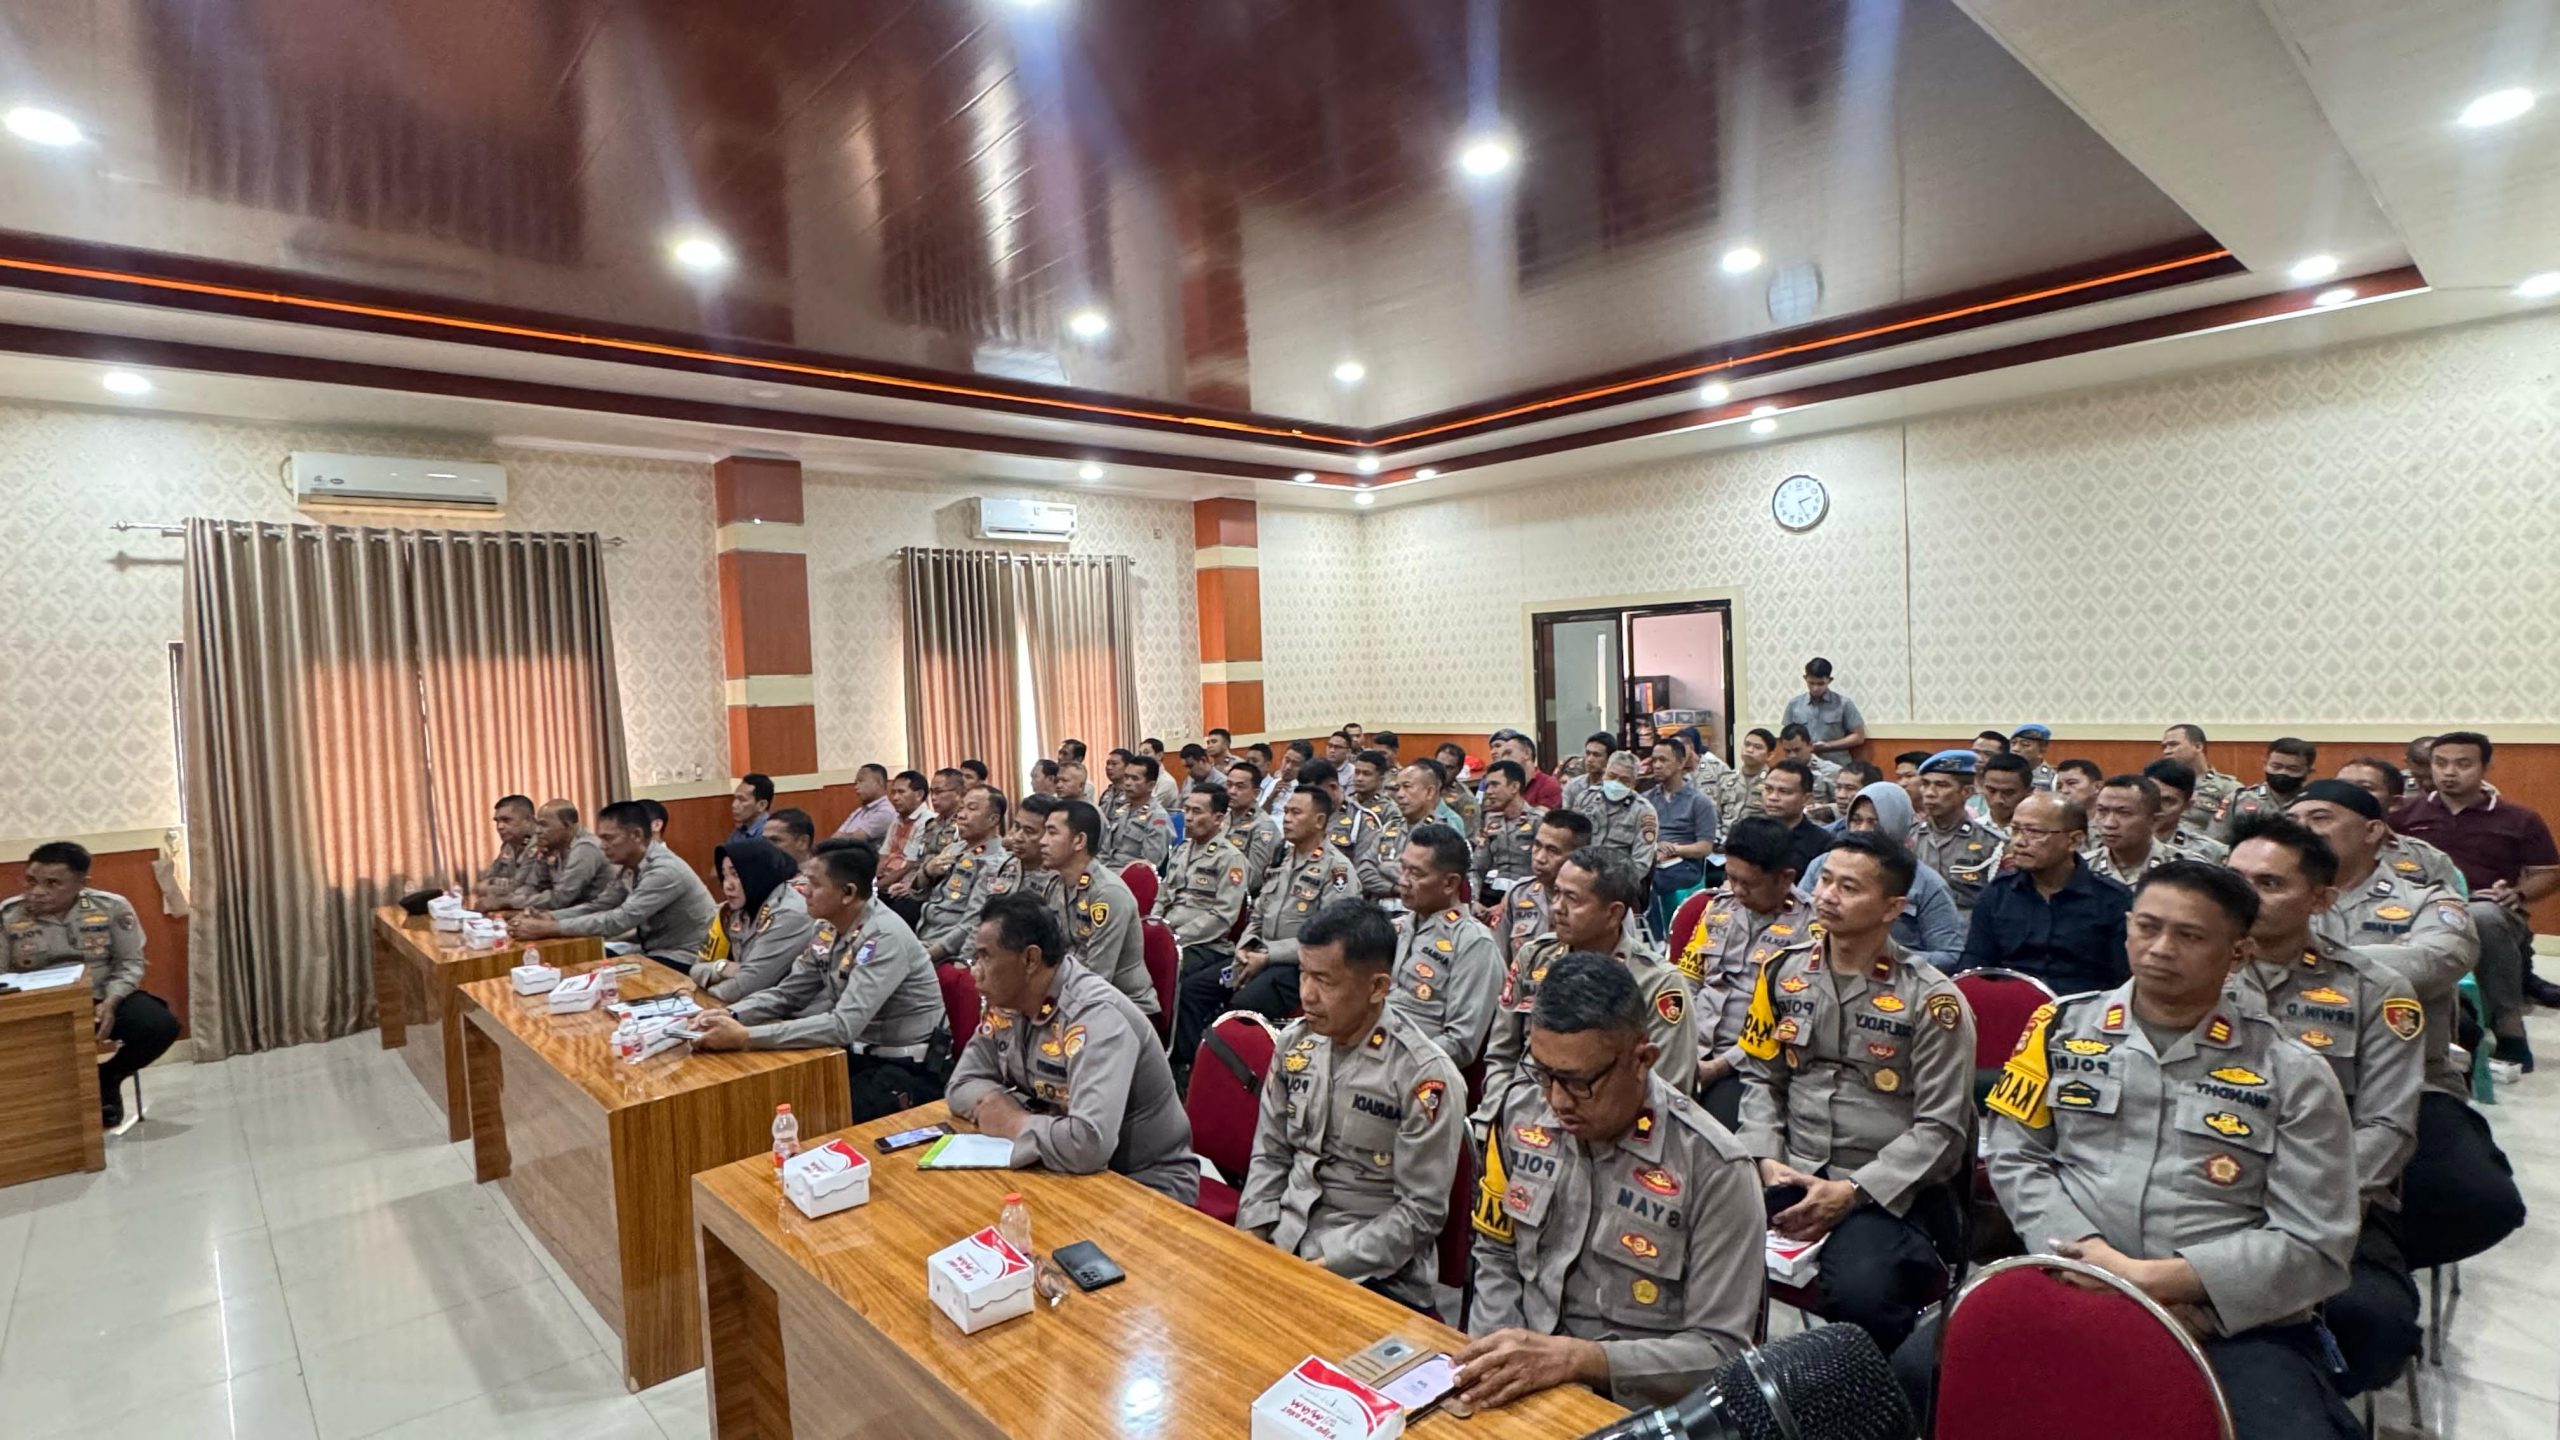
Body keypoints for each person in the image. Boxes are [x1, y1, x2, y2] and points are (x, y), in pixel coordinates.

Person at [1911, 862, 2362, 1440]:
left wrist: (2158, 1281)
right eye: (2148, 927)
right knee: (1915, 1375)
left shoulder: (2293, 1073)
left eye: (2190, 936)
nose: (2161, 949)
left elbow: (2315, 1242)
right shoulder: (2058, 1028)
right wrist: (2091, 1255)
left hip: (2224, 1319)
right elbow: (2015, 1155)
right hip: (2067, 1277)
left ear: (2239, 953)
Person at [1458, 953, 1763, 1412]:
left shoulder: (1716, 1169)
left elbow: (1721, 1353)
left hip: (1638, 1406)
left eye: (1578, 1082)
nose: (1557, 1101)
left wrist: (1582, 1360)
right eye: (1543, 1073)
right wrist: (1491, 1360)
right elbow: (1497, 1254)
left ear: (1642, 1060)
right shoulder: (1520, 1115)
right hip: (1518, 1384)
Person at [1738, 831, 1972, 1354]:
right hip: (1790, 1165)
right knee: (1694, 1241)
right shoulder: (1782, 972)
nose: (1826, 896)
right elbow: (1761, 1078)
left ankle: (1872, 1392)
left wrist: (1854, 1190)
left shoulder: (1932, 999)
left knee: (1861, 1293)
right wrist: (1764, 1156)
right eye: (1825, 880)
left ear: (1892, 908)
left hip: (1886, 1189)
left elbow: (1942, 1129)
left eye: (1849, 887)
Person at [2222, 816, 2423, 1396]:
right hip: (2204, 1187)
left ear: (2321, 900)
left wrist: (2301, 1199)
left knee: (2372, 1325)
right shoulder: (2187, 972)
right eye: (2234, 879)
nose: (2243, 896)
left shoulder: (2375, 990)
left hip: (2331, 1202)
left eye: (2269, 883)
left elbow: (2387, 1126)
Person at [2291, 781, 2524, 1273]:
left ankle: (2380, 1254)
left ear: (2373, 831)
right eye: (2294, 820)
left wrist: (2303, 960)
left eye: (2320, 818)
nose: (2303, 830)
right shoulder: (2268, 896)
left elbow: (2435, 960)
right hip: (2283, 1079)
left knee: (2484, 1201)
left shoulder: (2426, 900)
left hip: (2411, 1084)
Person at [1241, 900, 1466, 1314]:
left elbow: (1419, 1214)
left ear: (1377, 987)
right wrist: (1251, 1236)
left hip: (1372, 1274)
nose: (1306, 994)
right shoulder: (1295, 1044)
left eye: (1324, 981)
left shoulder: (1422, 1075)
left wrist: (1325, 1266)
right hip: (1284, 1240)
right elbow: (1270, 1153)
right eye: (1303, 973)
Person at [947, 894, 1199, 1201]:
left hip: (1144, 1183)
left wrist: (1014, 1122)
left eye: (986, 957)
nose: (975, 971)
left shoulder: (1096, 1018)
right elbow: (961, 1084)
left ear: (1030, 959)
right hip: (1062, 1167)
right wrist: (1000, 1107)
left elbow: (1088, 1144)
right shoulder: (1010, 1001)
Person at [691, 844, 951, 1119]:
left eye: (814, 884)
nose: (803, 891)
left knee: (809, 1116)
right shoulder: (827, 927)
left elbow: (843, 1026)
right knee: (767, 1095)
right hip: (859, 1056)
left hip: (908, 1069)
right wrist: (732, 1014)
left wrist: (746, 1037)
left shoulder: (883, 938)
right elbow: (788, 994)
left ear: (848, 893)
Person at [1482, 853, 1696, 1115]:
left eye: (1572, 899)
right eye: (1556, 893)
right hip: (1522, 1113)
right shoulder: (1534, 957)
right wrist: (1499, 1114)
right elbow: (1501, 1055)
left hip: (1606, 1123)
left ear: (1613, 913)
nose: (1557, 907)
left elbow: (1667, 1088)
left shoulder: (1657, 982)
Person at [2389, 730, 2554, 1062]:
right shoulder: (2403, 815)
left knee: (2484, 917)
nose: (2449, 772)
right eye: (2441, 763)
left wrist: (2518, 894)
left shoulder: (2519, 818)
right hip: (2416, 906)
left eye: (2463, 764)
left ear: (2485, 767)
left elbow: (2548, 872)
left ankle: (2509, 1027)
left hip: (2486, 905)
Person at [5, 843, 181, 1126]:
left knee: (159, 1025)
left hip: (101, 997)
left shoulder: (111, 908)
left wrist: (111, 1002)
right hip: (38, 1006)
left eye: (52, 883)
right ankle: (39, 1110)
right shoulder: (8, 916)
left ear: (81, 884)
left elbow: (130, 963)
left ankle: (106, 1078)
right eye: (31, 880)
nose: (37, 891)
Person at [1187, 784, 1358, 1053]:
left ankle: (1243, 1073)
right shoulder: (1281, 861)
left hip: (1299, 967)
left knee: (1242, 1006)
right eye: (1286, 811)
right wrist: (1245, 946)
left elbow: (1331, 940)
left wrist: (1268, 956)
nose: (1286, 818)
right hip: (1258, 956)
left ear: (1319, 821)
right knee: (1194, 990)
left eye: (1296, 813)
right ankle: (1193, 1065)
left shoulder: (1336, 870)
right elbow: (1257, 914)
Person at [1678, 817, 1815, 1127]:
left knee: (1715, 1129)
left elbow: (1791, 1021)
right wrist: (1677, 1044)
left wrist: (1719, 1066)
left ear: (1785, 878)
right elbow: (1687, 981)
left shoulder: (1811, 929)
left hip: (1751, 1065)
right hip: (1690, 1046)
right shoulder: (1719, 908)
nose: (1737, 891)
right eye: (1731, 878)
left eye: (1749, 884)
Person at [1956, 793, 2131, 997]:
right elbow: (1974, 969)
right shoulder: (1997, 893)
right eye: (2015, 830)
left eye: (2034, 832)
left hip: (2083, 1010)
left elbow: (2124, 983)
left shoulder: (2113, 900)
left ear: (2074, 840)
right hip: (2010, 1005)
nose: (2019, 842)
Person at [512, 801, 718, 971]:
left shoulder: (664, 870)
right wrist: (550, 917)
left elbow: (620, 920)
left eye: (608, 838)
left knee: (595, 976)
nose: (602, 846)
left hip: (685, 957)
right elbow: (600, 905)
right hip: (651, 949)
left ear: (636, 835)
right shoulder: (630, 865)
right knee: (577, 964)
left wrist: (551, 928)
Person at [1796, 781, 1966, 974]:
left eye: (1874, 823)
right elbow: (1795, 922)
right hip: (1817, 969)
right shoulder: (1822, 864)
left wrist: (1885, 957)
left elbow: (1948, 955)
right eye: (1856, 820)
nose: (1862, 830)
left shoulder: (1928, 883)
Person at [1390, 824, 1503, 1068]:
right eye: (1403, 868)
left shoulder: (1473, 943)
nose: (1402, 881)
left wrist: (1395, 1063)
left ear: (1450, 883)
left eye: (1415, 873)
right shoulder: (1397, 927)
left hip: (1417, 1070)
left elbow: (1460, 1043)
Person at [1157, 784, 1253, 1035]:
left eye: (1197, 811)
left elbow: (1222, 917)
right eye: (1186, 810)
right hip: (1168, 936)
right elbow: (1163, 896)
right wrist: (1153, 926)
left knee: (1167, 973)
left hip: (1205, 945)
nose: (1188, 817)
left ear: (1218, 818)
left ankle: (1180, 1050)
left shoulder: (1230, 858)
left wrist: (1175, 938)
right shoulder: (1181, 850)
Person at [1042, 799, 1153, 1016]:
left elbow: (1098, 975)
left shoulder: (1107, 893)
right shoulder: (1055, 885)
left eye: (1052, 833)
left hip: (1123, 1006)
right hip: (1073, 994)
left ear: (1079, 841)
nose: (1042, 841)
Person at [687, 838, 818, 1003]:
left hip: (793, 1011)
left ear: (758, 872)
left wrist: (709, 991)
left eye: (736, 875)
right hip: (754, 1005)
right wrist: (722, 968)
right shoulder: (738, 909)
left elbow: (744, 987)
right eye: (724, 876)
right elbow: (696, 968)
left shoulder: (789, 914)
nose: (727, 885)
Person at [2329, 758, 2467, 896]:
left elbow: (2451, 905)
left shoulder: (2425, 857)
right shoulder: (2318, 849)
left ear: (2395, 803)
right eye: (2341, 786)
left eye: (2366, 788)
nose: (2348, 794)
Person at [916, 785, 1010, 963]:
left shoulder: (996, 863)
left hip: (945, 952)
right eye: (961, 808)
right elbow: (918, 895)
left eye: (972, 809)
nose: (961, 815)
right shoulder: (955, 848)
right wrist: (927, 873)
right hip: (922, 934)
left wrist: (930, 955)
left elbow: (974, 922)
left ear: (993, 819)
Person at [1644, 737, 1720, 935]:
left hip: (1685, 864)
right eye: (1654, 760)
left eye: (1663, 760)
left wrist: (1673, 849)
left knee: (1649, 881)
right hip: (1653, 858)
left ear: (1680, 763)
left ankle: (1659, 939)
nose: (1657, 765)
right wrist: (1655, 848)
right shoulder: (1646, 800)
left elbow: (1705, 847)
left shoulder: (1700, 802)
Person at [1499, 808, 1592, 964]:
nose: (1540, 858)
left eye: (1552, 850)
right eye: (1537, 845)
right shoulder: (1517, 895)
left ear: (1577, 855)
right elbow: (1500, 961)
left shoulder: (1602, 903)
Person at [513, 800, 625, 913]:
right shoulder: (556, 845)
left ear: (567, 825)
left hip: (593, 916)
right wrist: (543, 859)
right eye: (537, 824)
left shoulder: (585, 848)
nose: (537, 831)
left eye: (544, 825)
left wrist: (512, 902)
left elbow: (561, 899)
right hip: (574, 913)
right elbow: (537, 886)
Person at [2211, 738, 2317, 843]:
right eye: (2276, 766)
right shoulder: (2238, 799)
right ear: (2265, 765)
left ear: (2309, 771)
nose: (2282, 772)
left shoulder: (2315, 803)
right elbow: (2216, 842)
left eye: (2292, 769)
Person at [1575, 749, 1660, 880]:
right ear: (1604, 774)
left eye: (1624, 780)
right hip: (1581, 875)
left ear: (1634, 783)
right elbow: (1571, 842)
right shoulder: (1585, 798)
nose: (1615, 783)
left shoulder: (1644, 812)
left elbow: (1640, 865)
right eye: (1612, 776)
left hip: (1617, 882)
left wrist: (1609, 884)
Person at [1471, 759, 1545, 908]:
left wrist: (1506, 906)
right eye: (1487, 786)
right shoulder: (1491, 820)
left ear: (1514, 787)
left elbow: (1546, 872)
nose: (1489, 791)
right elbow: (1477, 867)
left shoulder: (1538, 821)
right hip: (1492, 895)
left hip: (1528, 898)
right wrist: (1473, 901)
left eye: (1495, 785)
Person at [2083, 773, 2178, 885]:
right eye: (2102, 811)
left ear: (2155, 821)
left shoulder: (2184, 868)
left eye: (2123, 813)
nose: (2109, 824)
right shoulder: (2080, 868)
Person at [1759, 758, 1835, 879]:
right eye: (1768, 789)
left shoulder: (1822, 843)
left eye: (1784, 791)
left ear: (1806, 799)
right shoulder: (1747, 831)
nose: (1773, 797)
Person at [2145, 759, 2230, 863]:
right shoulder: (2126, 843)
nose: (2157, 806)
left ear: (2188, 805)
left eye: (2168, 801)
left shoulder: (2212, 852)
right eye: (2151, 797)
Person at [2161, 725, 2242, 833]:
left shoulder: (2227, 787)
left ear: (2198, 747)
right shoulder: (2159, 785)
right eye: (2164, 747)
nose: (2166, 751)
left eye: (2173, 744)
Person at [1098, 756, 1174, 871]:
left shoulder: (1157, 817)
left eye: (1135, 779)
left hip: (1130, 875)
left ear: (1151, 785)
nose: (1127, 783)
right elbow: (1104, 851)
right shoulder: (1122, 810)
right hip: (1107, 871)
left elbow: (1149, 865)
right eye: (1126, 777)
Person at [875, 770, 932, 919]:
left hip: (904, 888)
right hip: (885, 883)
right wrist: (873, 883)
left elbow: (908, 866)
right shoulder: (897, 820)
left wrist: (875, 887)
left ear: (919, 795)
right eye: (893, 792)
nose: (895, 798)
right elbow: (883, 856)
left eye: (901, 792)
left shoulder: (927, 822)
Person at [991, 792, 1063, 910]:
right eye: (1017, 827)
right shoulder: (1002, 865)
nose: (1017, 837)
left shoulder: (1059, 879)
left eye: (1029, 831)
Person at [1782, 656, 1867, 756]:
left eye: (1820, 684)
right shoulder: (1794, 704)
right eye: (1811, 683)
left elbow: (1858, 737)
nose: (1815, 688)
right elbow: (1786, 736)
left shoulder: (1844, 704)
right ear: (1805, 678)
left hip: (1835, 762)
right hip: (1803, 762)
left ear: (1830, 680)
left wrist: (1828, 745)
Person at [1225, 762, 1283, 894]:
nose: (1232, 791)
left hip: (1237, 895)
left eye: (1240, 787)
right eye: (1229, 785)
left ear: (1256, 793)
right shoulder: (1222, 818)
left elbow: (1254, 878)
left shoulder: (1263, 826)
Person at [477, 795, 538, 906]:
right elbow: (485, 880)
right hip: (512, 904)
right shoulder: (508, 846)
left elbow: (520, 886)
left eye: (506, 820)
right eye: (497, 821)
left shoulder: (538, 845)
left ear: (528, 820)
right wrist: (491, 883)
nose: (499, 826)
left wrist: (491, 886)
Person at [1775, 725, 1841, 823]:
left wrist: (1828, 809)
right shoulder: (1779, 772)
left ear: (1810, 745)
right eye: (1787, 751)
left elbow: (1847, 805)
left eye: (1797, 750)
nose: (1792, 755)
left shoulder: (1831, 771)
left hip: (1820, 824)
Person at [1489, 728, 1567, 809]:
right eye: (1502, 756)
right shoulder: (1504, 786)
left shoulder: (1548, 784)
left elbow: (1543, 815)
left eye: (1508, 753)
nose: (1504, 759)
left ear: (1527, 753)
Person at [832, 764, 896, 843]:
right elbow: (835, 837)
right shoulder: (859, 811)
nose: (856, 787)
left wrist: (841, 836)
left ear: (880, 782)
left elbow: (856, 839)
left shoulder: (886, 812)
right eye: (856, 783)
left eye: (861, 781)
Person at [1975, 752, 2033, 835]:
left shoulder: (2038, 834)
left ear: (2028, 793)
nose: (1998, 800)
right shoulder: (1971, 830)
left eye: (2008, 793)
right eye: (1991, 791)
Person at [1562, 732, 1617, 809]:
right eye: (1588, 753)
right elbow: (1565, 813)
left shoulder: (1615, 787)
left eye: (1596, 755)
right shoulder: (1573, 785)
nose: (1589, 759)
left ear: (1609, 758)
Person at [726, 773, 775, 850]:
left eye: (742, 800)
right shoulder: (738, 832)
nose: (734, 805)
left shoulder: (770, 834)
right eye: (735, 798)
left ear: (762, 805)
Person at [2009, 725, 2057, 791]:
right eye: (2013, 743)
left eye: (2025, 744)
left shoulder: (2052, 777)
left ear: (2042, 748)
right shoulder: (2004, 772)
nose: (2015, 749)